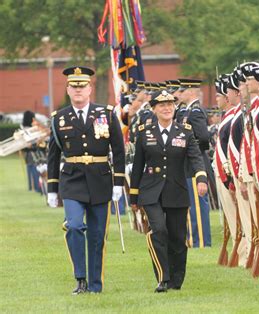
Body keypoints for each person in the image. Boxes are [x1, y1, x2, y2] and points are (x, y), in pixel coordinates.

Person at [47, 66, 125, 294]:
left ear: (90, 89)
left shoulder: (107, 114)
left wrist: (119, 182)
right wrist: (52, 189)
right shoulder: (59, 119)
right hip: (72, 180)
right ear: (68, 90)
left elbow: (118, 151)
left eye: (83, 86)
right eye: (74, 86)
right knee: (73, 226)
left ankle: (95, 285)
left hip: (100, 179)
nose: (78, 90)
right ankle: (80, 278)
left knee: (97, 235)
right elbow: (53, 156)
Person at [129, 90, 208, 293]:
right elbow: (138, 166)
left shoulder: (185, 132)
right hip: (150, 192)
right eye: (162, 105)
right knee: (159, 231)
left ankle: (176, 279)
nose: (167, 108)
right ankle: (163, 277)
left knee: (177, 238)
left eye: (170, 105)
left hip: (176, 191)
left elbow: (196, 157)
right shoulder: (144, 133)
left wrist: (201, 178)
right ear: (154, 109)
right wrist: (134, 196)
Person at [176, 79, 212, 248]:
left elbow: (204, 137)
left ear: (190, 92)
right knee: (191, 204)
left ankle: (202, 241)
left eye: (182, 91)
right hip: (188, 163)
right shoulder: (187, 112)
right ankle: (194, 239)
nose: (178, 94)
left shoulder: (195, 111)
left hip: (195, 163)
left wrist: (193, 151)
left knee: (198, 204)